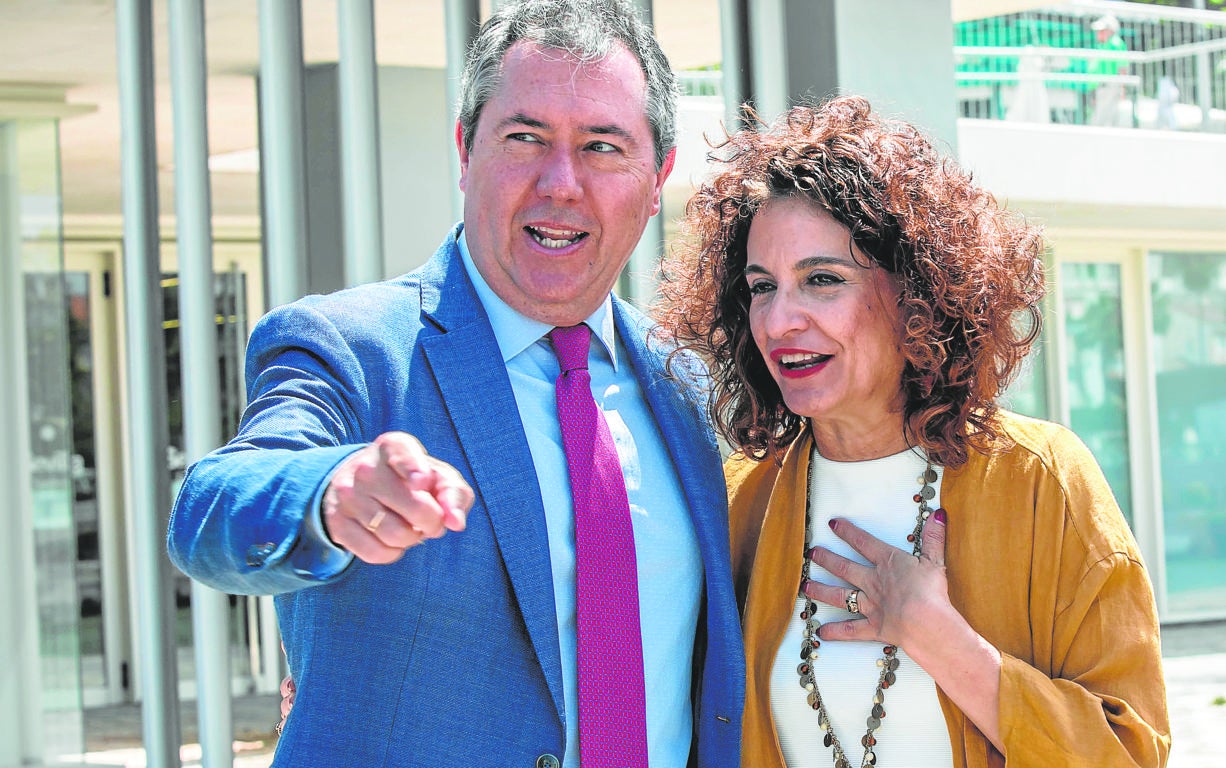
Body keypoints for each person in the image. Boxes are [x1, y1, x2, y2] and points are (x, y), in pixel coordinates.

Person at [167, 1, 744, 766]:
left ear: (658, 176)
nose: (561, 183)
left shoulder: (691, 387)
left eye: (603, 147)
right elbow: (213, 508)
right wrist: (328, 495)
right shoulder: (351, 349)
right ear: (466, 150)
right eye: (525, 137)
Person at [655, 96, 1170, 767]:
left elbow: (1130, 753)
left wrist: (940, 639)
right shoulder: (736, 502)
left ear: (919, 294)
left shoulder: (1041, 480)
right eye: (761, 287)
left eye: (822, 280)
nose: (779, 321)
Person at [1090, 13, 1129, 127]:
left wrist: (1122, 88)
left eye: (1102, 30)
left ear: (1110, 31)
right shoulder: (1104, 45)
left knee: (1104, 119)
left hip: (1110, 85)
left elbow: (1122, 67)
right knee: (1103, 118)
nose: (1098, 33)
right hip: (1103, 87)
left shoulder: (1115, 44)